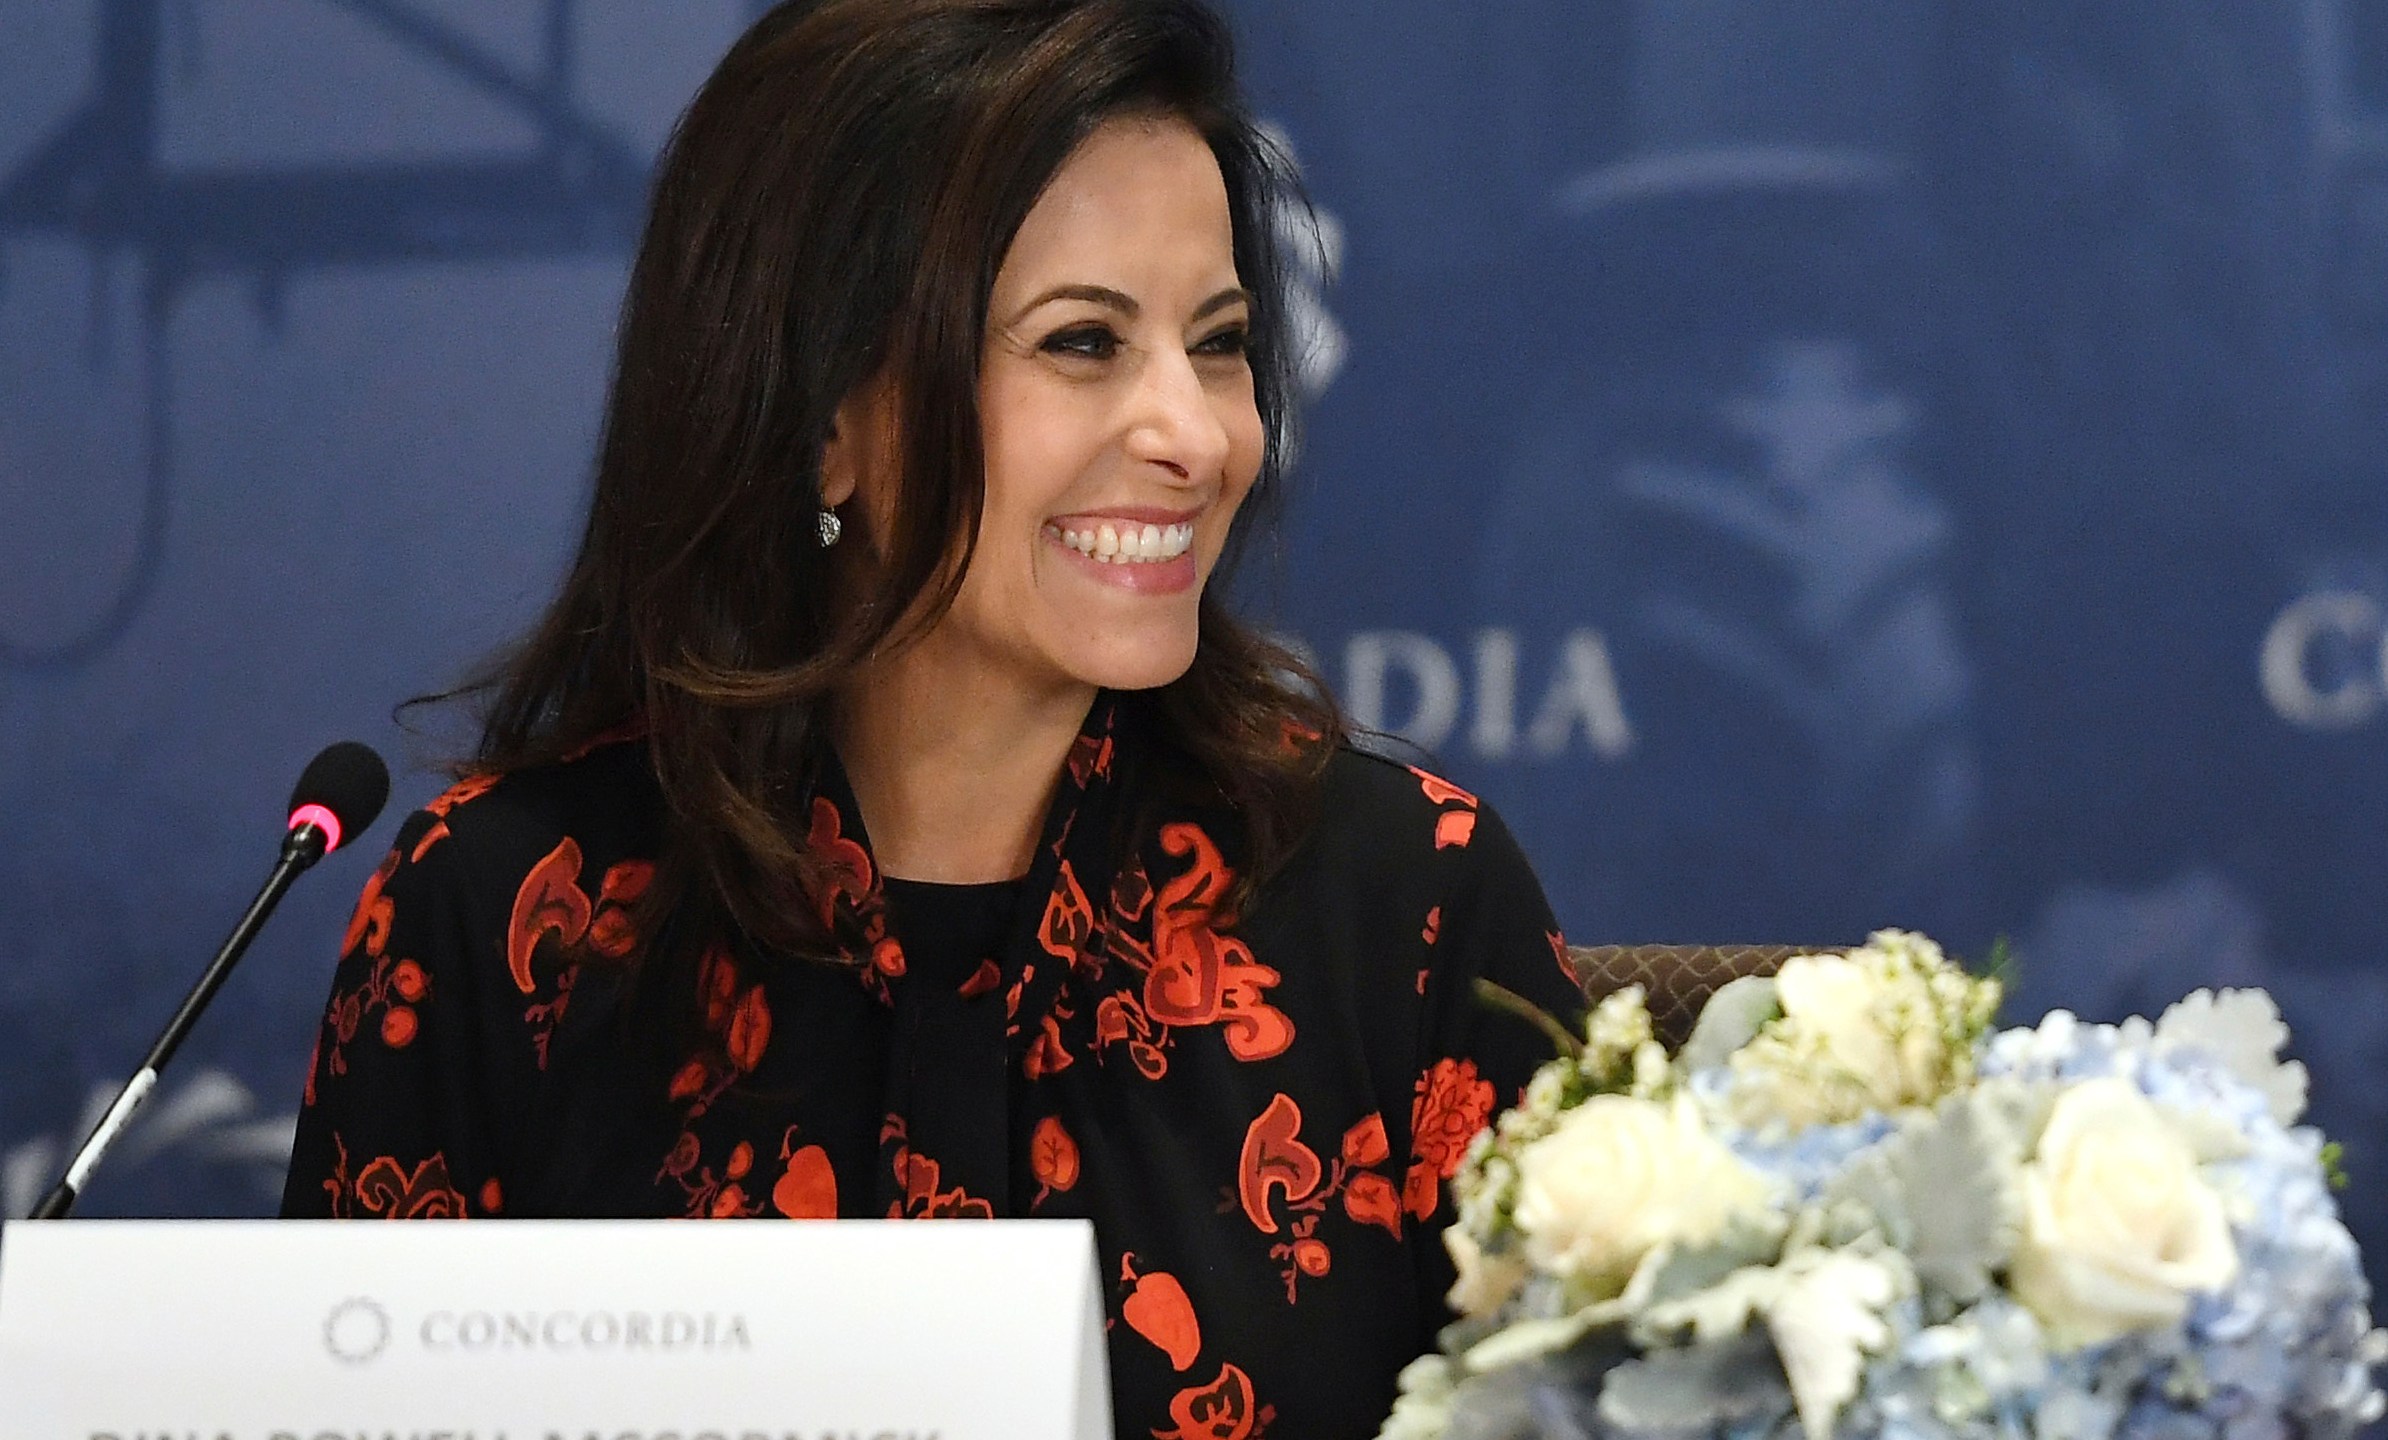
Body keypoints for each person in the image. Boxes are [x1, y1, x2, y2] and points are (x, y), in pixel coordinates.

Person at [282, 0, 1586, 1433]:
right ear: (821, 415)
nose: (1197, 434)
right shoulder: (516, 919)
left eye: (1217, 345)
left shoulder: (1404, 903)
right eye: (1085, 343)